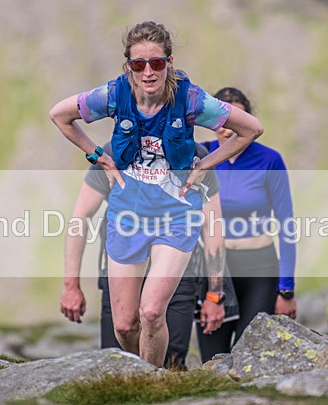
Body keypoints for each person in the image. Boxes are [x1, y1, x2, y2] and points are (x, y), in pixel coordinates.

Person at [49, 21, 263, 367]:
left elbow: (250, 129)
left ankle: (151, 379)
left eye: (157, 63)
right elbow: (60, 115)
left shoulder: (190, 99)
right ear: (129, 66)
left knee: (150, 312)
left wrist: (206, 163)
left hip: (176, 214)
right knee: (125, 323)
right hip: (128, 214)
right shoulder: (114, 95)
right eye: (139, 64)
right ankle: (133, 373)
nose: (148, 71)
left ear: (169, 62)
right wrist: (95, 154)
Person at [59, 142, 225, 369]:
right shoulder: (115, 151)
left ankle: (155, 393)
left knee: (172, 362)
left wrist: (214, 293)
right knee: (117, 357)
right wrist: (71, 285)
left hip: (177, 276)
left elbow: (212, 225)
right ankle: (143, 383)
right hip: (121, 269)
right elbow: (80, 217)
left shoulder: (196, 155)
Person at [196, 87, 297, 363]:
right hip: (215, 271)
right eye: (221, 121)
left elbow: (286, 225)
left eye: (236, 120)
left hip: (259, 269)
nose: (228, 130)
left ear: (248, 121)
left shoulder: (269, 160)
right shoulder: (200, 156)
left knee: (249, 356)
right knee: (212, 359)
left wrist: (286, 289)